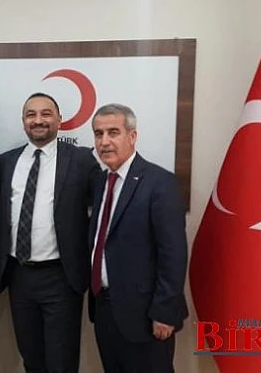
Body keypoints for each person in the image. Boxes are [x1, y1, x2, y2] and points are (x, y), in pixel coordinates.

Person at [0, 92, 100, 373]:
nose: (38, 120)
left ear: (59, 119)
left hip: (61, 277)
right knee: (31, 357)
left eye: (46, 113)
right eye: (31, 114)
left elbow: (102, 212)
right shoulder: (5, 162)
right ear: (23, 121)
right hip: (19, 276)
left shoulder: (81, 160)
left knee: (61, 361)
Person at [88, 103, 188, 373]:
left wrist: (164, 312)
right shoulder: (100, 182)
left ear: (132, 136)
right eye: (98, 134)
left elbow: (173, 254)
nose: (104, 142)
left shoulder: (160, 182)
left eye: (113, 132)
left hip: (146, 315)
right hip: (106, 309)